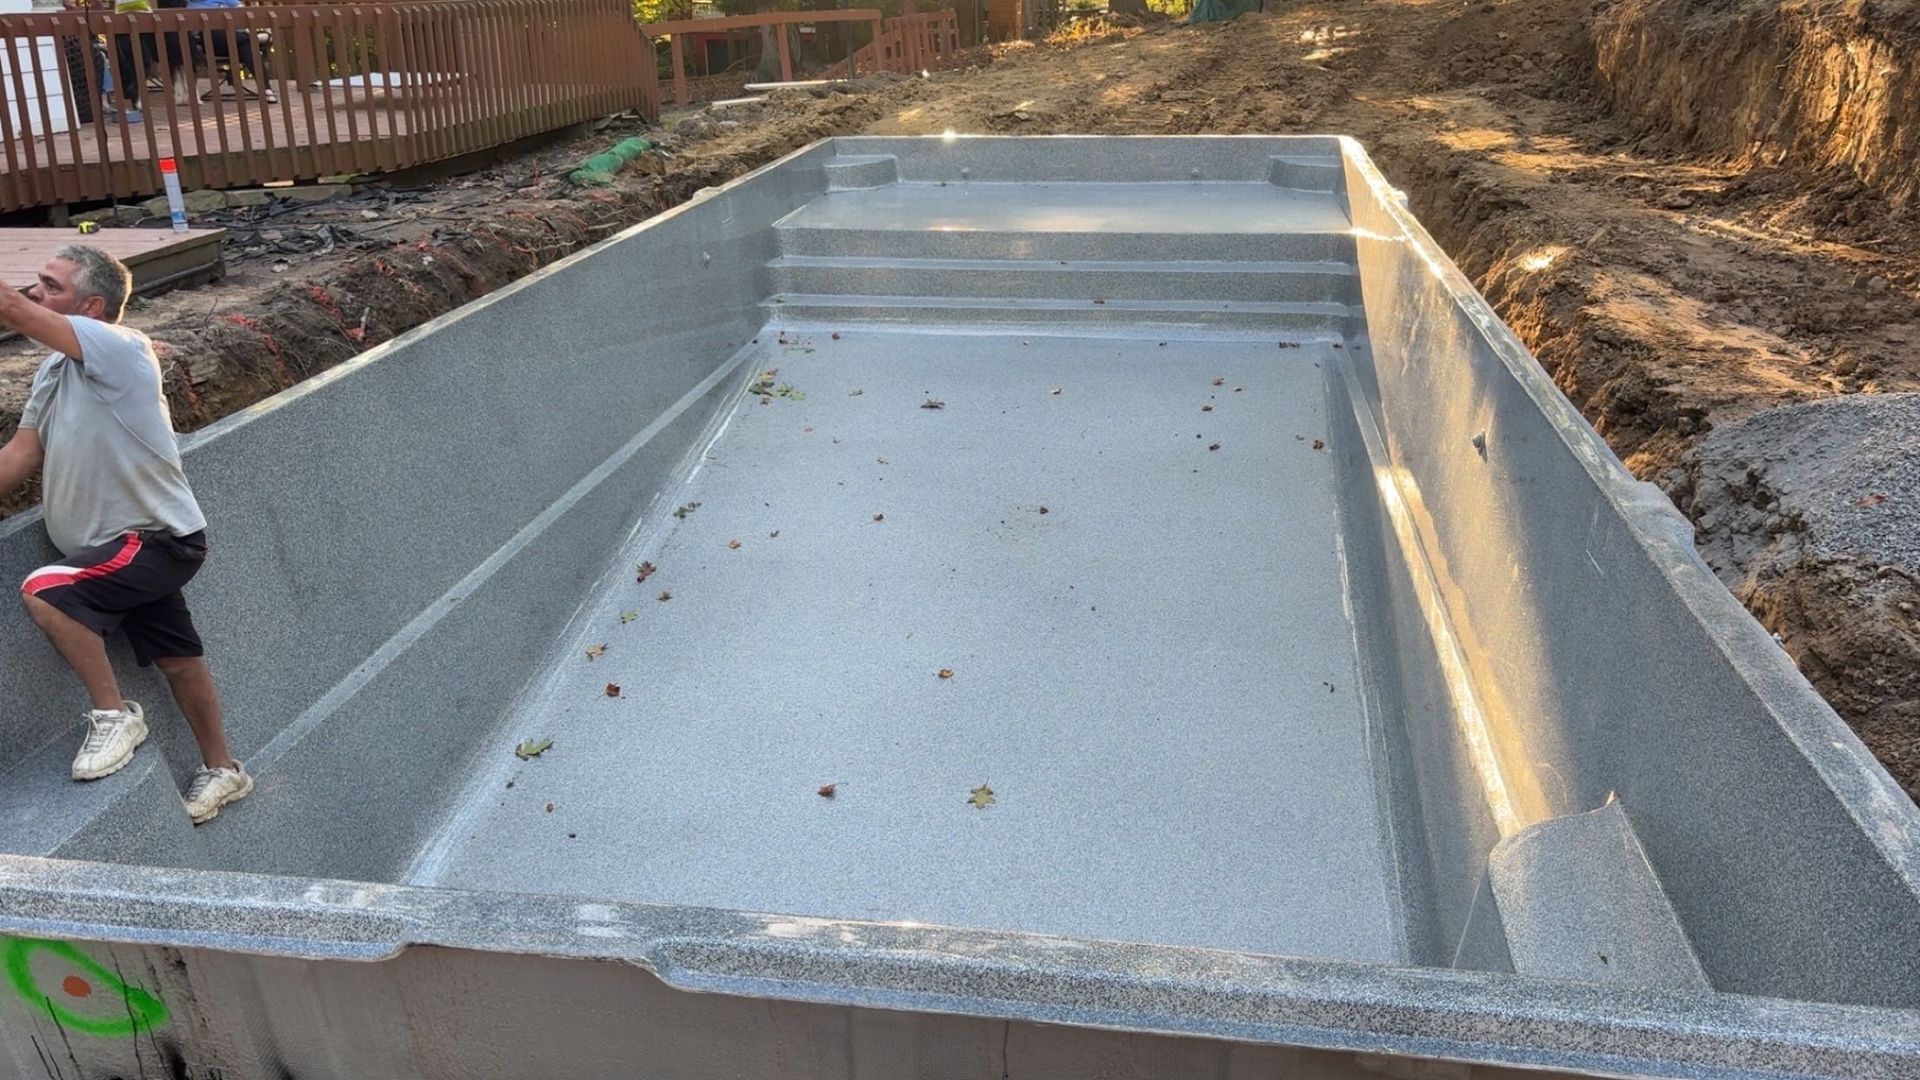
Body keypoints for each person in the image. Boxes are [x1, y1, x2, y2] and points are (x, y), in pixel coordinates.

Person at [0, 246, 250, 825]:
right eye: (37, 283)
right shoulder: (54, 370)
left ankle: (114, 716)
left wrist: (18, 304)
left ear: (90, 306)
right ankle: (224, 769)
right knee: (179, 660)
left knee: (45, 588)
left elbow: (12, 309)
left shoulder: (120, 348)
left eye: (51, 285)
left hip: (153, 539)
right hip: (113, 553)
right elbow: (21, 453)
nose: (38, 292)